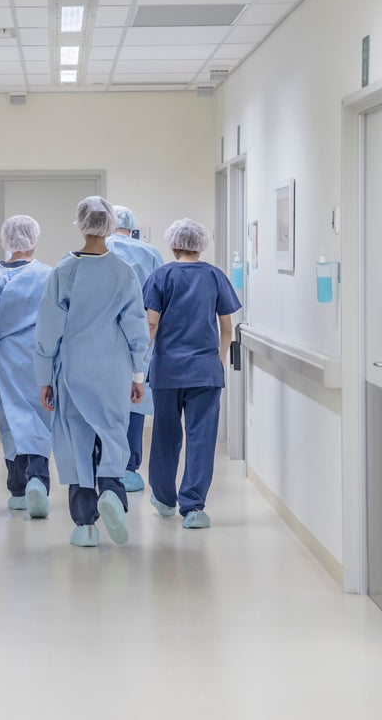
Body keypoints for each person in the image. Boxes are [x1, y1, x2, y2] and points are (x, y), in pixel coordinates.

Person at [35, 197, 150, 547]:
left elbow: (48, 331)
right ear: (111, 224)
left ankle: (85, 525)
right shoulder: (123, 272)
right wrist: (137, 375)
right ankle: (112, 491)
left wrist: (44, 379)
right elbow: (137, 330)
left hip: (72, 371)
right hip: (113, 371)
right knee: (113, 434)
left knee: (77, 442)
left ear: (81, 224)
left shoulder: (63, 273)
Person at [143, 218, 241, 529]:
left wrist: (139, 363)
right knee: (202, 438)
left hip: (167, 370)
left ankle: (163, 497)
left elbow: (151, 324)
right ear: (201, 245)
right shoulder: (215, 276)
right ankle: (194, 507)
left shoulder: (161, 276)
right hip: (205, 372)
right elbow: (227, 328)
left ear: (173, 244)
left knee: (164, 436)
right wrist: (219, 360)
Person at [0, 215, 55, 519]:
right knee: (40, 419)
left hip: (6, 360)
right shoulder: (48, 275)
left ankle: (17, 490)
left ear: (6, 240)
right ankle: (38, 481)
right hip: (41, 357)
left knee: (12, 422)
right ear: (34, 239)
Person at [106, 205, 165, 493]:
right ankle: (128, 469)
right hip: (141, 337)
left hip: (99, 339)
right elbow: (160, 303)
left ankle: (102, 465)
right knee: (135, 397)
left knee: (100, 403)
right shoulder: (150, 254)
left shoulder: (95, 251)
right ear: (133, 227)